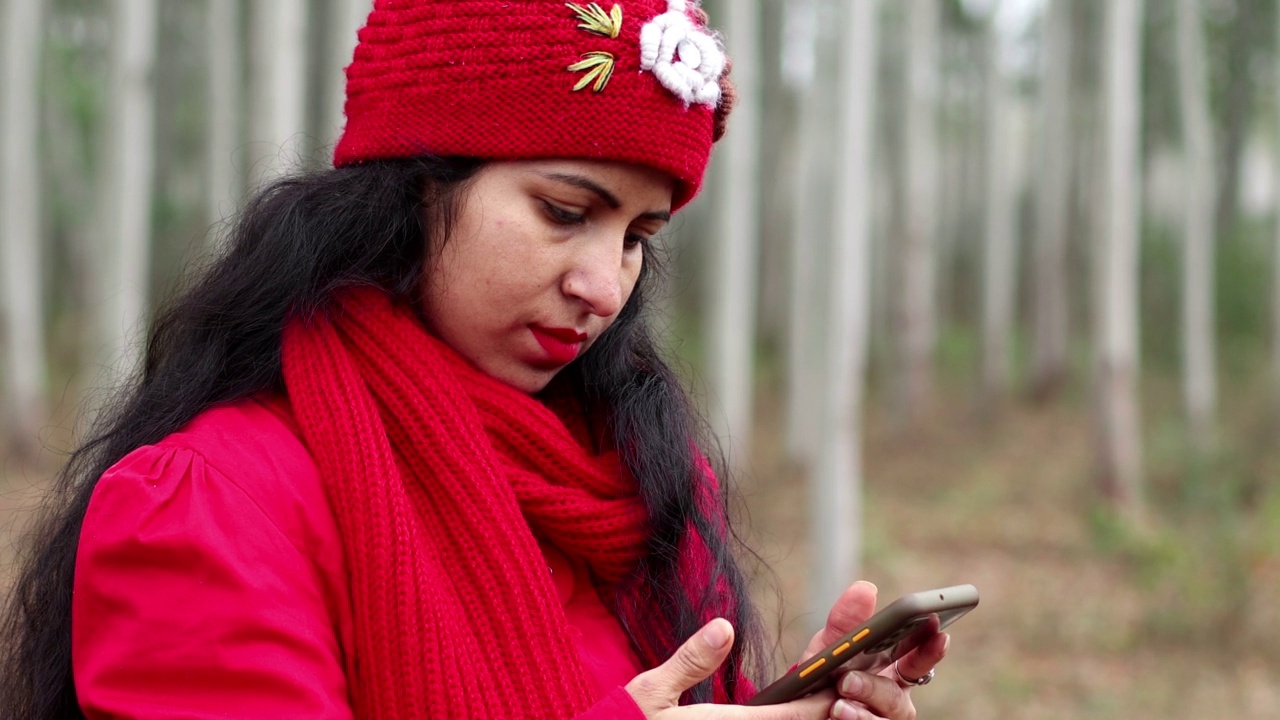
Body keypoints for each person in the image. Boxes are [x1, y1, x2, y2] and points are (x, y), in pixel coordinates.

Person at [0, 1, 948, 718]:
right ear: (411, 186)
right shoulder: (209, 502)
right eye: (565, 213)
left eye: (636, 236)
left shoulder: (636, 478)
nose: (606, 288)